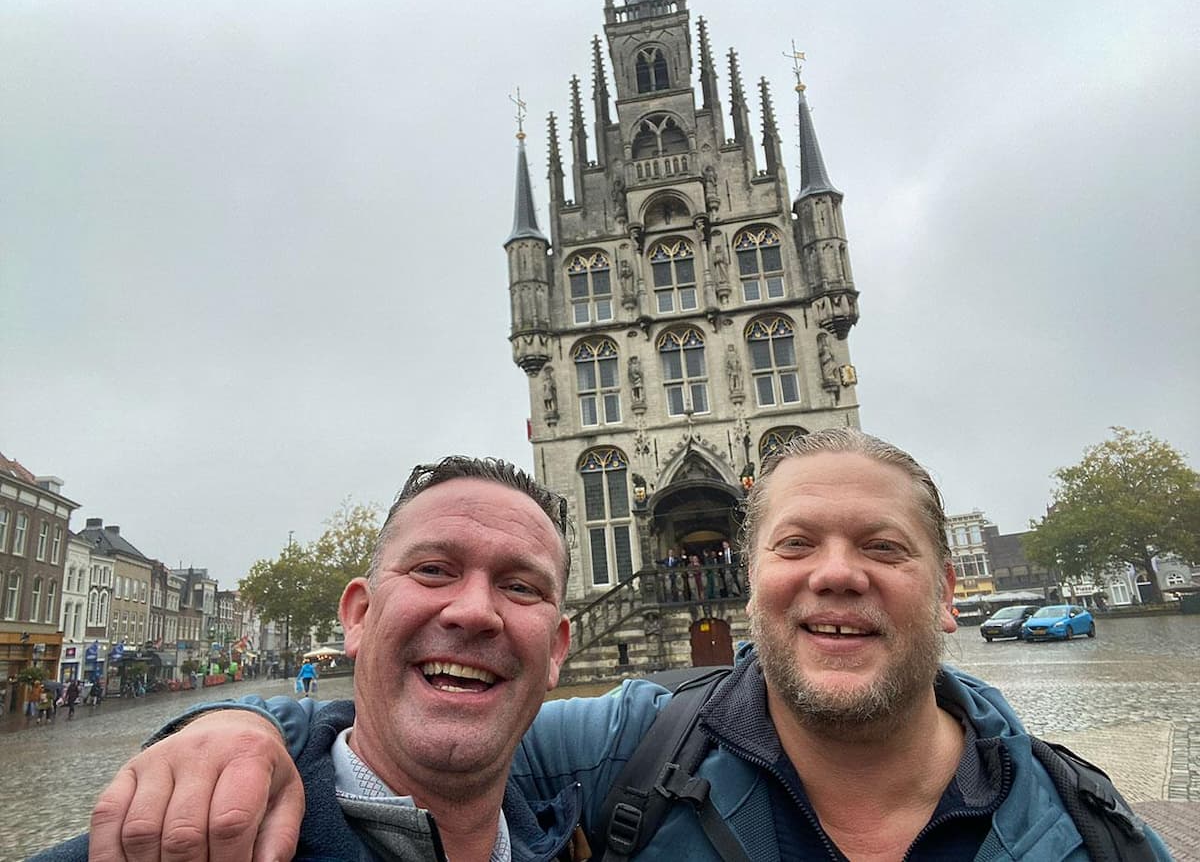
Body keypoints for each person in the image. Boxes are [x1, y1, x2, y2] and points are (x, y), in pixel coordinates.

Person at [61, 432, 1171, 862]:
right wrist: (241, 724)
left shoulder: (1090, 834)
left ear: (944, 592)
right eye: (796, 543)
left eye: (882, 546)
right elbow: (436, 741)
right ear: (750, 575)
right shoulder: (637, 748)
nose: (837, 574)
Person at [38, 455, 575, 862]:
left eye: (522, 587)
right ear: (359, 616)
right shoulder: (174, 841)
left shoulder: (582, 823)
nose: (475, 611)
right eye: (433, 570)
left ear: (555, 649)